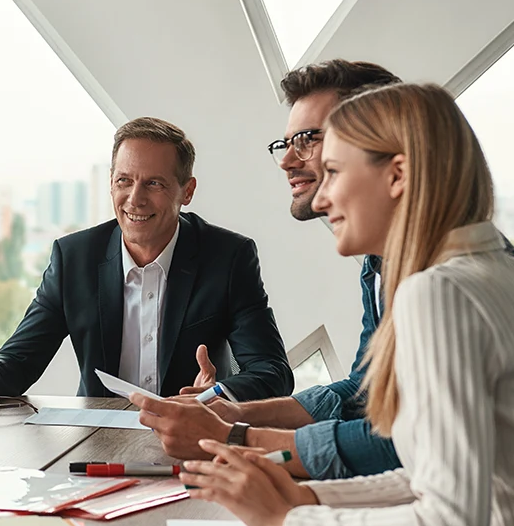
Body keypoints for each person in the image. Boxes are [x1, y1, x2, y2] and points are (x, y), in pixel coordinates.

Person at [173, 83, 514, 526]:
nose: (321, 198)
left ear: (398, 176)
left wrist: (288, 521)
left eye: (336, 173)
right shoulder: (493, 267)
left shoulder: (437, 291)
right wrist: (308, 502)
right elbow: (425, 478)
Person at [138, 60, 405, 472]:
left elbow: (408, 446)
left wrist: (240, 439)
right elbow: (364, 393)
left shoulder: (442, 281)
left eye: (308, 140)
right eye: (286, 144)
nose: (286, 161)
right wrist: (234, 415)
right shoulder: (380, 265)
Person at [0, 117, 292, 401]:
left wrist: (214, 395)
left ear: (187, 191)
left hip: (194, 437)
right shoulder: (74, 259)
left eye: (154, 183)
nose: (134, 199)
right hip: (97, 444)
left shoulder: (229, 258)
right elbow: (20, 360)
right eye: (123, 181)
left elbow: (272, 370)